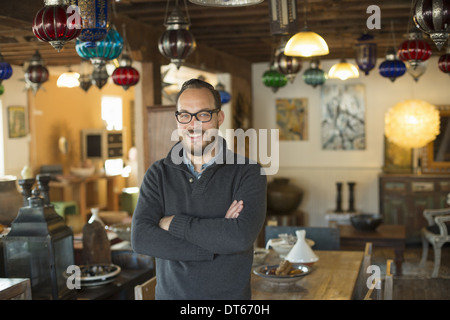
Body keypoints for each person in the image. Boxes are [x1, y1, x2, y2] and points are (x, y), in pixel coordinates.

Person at [131, 78, 267, 300]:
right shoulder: (158, 173)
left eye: (203, 114)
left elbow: (240, 237)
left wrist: (171, 223)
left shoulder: (249, 172)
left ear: (219, 117)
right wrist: (216, 244)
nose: (193, 124)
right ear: (177, 119)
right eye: (184, 115)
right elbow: (142, 238)